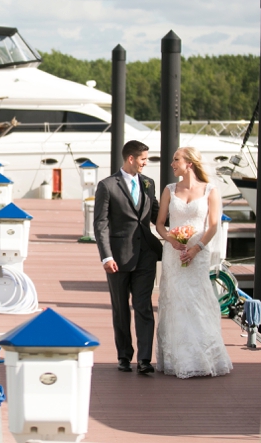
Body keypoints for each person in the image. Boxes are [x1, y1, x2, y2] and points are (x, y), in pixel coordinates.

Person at [153, 147, 233, 378]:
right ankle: (176, 358)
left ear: (189, 163)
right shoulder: (170, 190)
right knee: (175, 301)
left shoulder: (210, 190)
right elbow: (160, 224)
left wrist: (197, 248)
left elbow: (213, 225)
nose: (172, 163)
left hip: (198, 252)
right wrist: (171, 239)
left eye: (176, 159)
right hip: (174, 253)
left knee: (197, 301)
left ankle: (204, 355)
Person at [93, 139, 162, 374]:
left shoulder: (148, 183)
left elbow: (155, 214)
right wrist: (106, 257)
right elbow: (100, 224)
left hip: (145, 255)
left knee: (143, 306)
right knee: (121, 309)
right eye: (143, 159)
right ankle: (124, 356)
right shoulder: (107, 185)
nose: (146, 163)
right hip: (118, 258)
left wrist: (183, 229)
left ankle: (144, 360)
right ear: (131, 158)